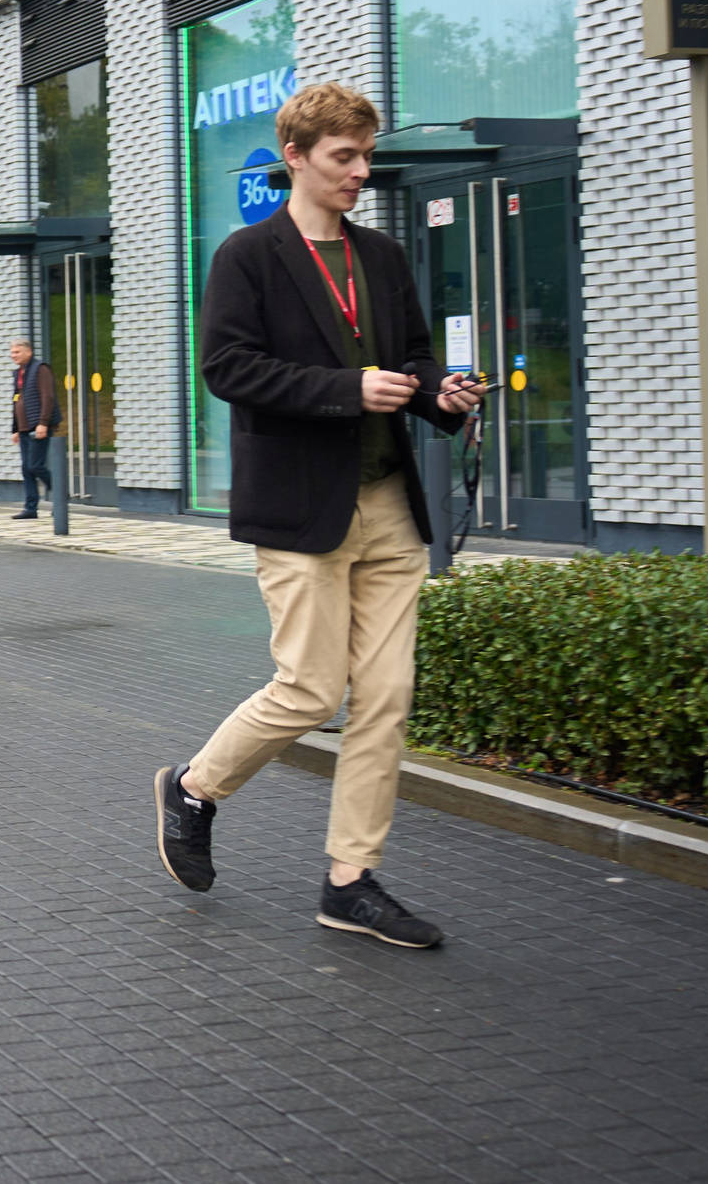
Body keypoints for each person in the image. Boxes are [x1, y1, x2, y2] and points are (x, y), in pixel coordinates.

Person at [154, 82, 485, 949]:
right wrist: (347, 388)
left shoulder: (380, 255)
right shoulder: (248, 255)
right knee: (308, 689)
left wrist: (442, 395)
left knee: (387, 696)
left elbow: (409, 360)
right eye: (345, 157)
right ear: (295, 156)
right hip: (299, 509)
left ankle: (350, 879)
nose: (361, 172)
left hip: (388, 507)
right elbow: (228, 368)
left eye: (367, 156)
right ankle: (194, 786)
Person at [9, 337, 62, 520]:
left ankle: (61, 495)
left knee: (35, 465)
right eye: (12, 352)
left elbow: (48, 397)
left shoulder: (40, 369)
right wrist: (15, 428)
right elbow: (16, 401)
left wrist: (43, 423)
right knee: (26, 468)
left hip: (37, 426)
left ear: (28, 352)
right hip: (24, 428)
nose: (13, 355)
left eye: (17, 352)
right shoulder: (19, 373)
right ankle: (30, 508)